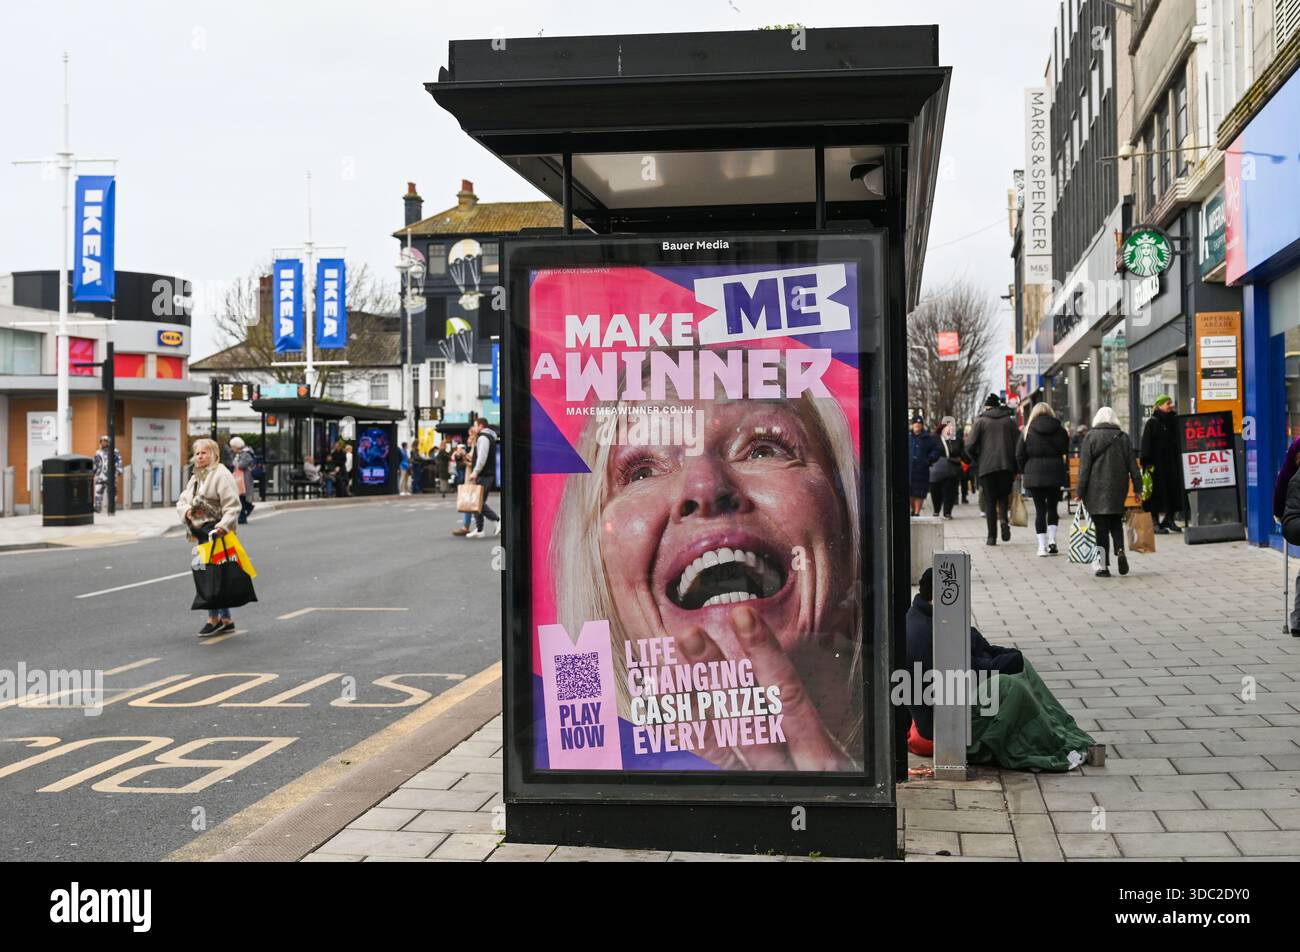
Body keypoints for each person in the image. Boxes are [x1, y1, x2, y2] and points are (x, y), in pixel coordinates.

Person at [552, 372, 863, 771]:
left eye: (763, 449)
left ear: (845, 515)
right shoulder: (572, 757)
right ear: (594, 563)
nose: (704, 488)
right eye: (643, 471)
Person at [904, 568, 1095, 770]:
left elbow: (981, 647)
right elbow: (970, 675)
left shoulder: (940, 617)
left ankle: (1060, 728)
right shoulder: (928, 630)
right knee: (1010, 686)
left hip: (957, 700)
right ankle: (1050, 736)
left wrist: (1008, 656)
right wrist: (1007, 663)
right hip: (939, 724)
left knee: (1020, 664)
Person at [176, 437, 242, 636]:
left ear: (214, 454)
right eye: (197, 453)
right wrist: (187, 511)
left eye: (204, 452)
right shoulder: (197, 476)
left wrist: (223, 526)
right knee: (208, 575)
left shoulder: (221, 474)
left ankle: (214, 619)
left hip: (216, 533)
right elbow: (183, 500)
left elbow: (232, 505)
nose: (200, 456)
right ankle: (226, 619)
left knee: (211, 576)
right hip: (201, 532)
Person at [1076, 407, 1142, 579]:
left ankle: (1103, 566)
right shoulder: (1123, 437)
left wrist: (1080, 491)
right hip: (1117, 488)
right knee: (1115, 522)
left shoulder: (1090, 437)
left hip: (1095, 490)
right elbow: (1133, 466)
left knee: (1100, 528)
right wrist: (1138, 488)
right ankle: (1120, 551)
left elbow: (1085, 469)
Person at [1016, 402, 1070, 557]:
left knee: (1040, 510)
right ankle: (1053, 541)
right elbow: (1065, 449)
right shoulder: (1060, 430)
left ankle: (1042, 547)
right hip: (1055, 473)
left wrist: (1025, 470)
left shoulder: (1028, 431)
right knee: (1053, 508)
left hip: (1035, 474)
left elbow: (1019, 454)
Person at [966, 393, 1020, 546]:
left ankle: (991, 537)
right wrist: (1016, 468)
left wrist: (977, 459)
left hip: (986, 467)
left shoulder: (980, 422)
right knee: (1003, 497)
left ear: (987, 407)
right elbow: (1019, 445)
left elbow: (969, 446)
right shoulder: (1009, 422)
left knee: (990, 501)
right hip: (1006, 467)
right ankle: (1003, 520)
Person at [1139, 394, 1185, 533]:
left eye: (1170, 402)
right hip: (1156, 465)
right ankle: (1154, 522)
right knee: (1155, 494)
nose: (1170, 405)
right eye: (1167, 403)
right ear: (1159, 406)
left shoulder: (1174, 421)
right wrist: (1146, 462)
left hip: (1172, 464)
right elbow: (1146, 444)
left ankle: (1169, 519)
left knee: (1173, 491)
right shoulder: (1152, 423)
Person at [466, 418, 502, 538]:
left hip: (484, 474)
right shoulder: (489, 436)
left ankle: (496, 519)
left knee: (477, 501)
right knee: (478, 501)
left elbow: (482, 458)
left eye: (475, 426)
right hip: (487, 474)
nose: (474, 428)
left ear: (480, 426)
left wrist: (475, 472)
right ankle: (480, 529)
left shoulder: (483, 438)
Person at [928, 416, 963, 519]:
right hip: (936, 469)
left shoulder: (957, 440)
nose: (951, 429)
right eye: (949, 426)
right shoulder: (934, 439)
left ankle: (947, 512)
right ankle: (936, 510)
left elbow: (961, 452)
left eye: (952, 427)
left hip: (952, 469)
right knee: (935, 491)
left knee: (950, 491)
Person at [907, 414, 940, 517]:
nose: (917, 425)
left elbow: (935, 451)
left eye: (919, 424)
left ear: (922, 426)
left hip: (922, 470)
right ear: (912, 425)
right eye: (915, 423)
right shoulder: (908, 437)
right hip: (909, 470)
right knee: (910, 493)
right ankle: (913, 509)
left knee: (920, 493)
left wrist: (928, 460)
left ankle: (917, 512)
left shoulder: (928, 438)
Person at [91, 435, 123, 513]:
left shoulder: (114, 451)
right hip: (100, 475)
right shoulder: (98, 452)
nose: (104, 443)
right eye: (102, 442)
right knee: (98, 491)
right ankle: (98, 506)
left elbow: (118, 461)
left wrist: (119, 470)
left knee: (112, 491)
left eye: (105, 442)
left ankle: (112, 507)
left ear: (109, 442)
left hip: (111, 475)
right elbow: (96, 463)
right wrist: (93, 471)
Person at [229, 436, 256, 525]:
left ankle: (243, 516)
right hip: (240, 479)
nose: (232, 449)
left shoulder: (246, 454)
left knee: (242, 498)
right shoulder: (240, 454)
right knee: (241, 498)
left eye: (232, 447)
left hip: (245, 479)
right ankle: (244, 514)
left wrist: (236, 462)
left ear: (237, 446)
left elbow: (241, 465)